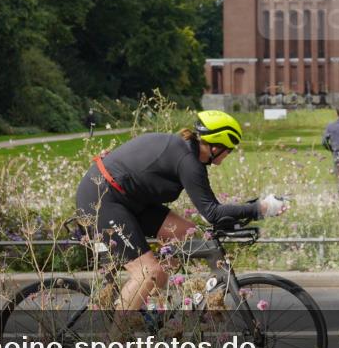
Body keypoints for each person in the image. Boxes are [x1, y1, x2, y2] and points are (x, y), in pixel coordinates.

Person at [75, 110, 285, 312]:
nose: (229, 155)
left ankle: (140, 303)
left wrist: (247, 211)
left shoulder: (187, 153)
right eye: (230, 149)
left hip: (129, 200)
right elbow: (212, 212)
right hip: (102, 199)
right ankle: (114, 343)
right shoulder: (187, 160)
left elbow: (213, 211)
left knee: (186, 235)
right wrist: (261, 208)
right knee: (148, 273)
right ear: (216, 145)